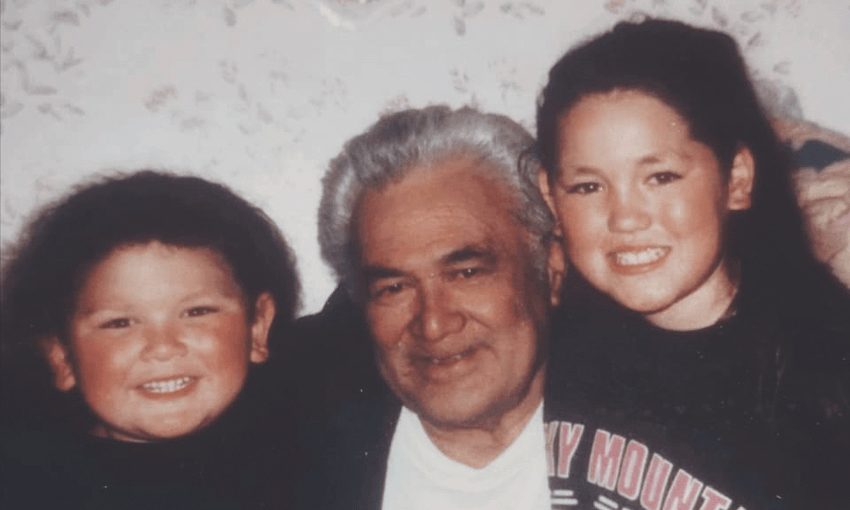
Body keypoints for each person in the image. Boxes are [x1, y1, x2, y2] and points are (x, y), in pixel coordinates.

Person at [534, 18, 850, 508]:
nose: (625, 218)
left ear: (737, 180)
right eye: (588, 186)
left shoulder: (826, 364)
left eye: (661, 177)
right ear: (551, 198)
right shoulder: (539, 346)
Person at [290, 105, 566, 510]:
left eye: (467, 273)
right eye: (394, 288)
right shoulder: (293, 461)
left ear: (551, 270)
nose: (434, 324)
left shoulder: (647, 426)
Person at [0, 170, 301, 509]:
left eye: (196, 312)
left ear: (258, 326)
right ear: (61, 356)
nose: (163, 347)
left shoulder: (306, 465)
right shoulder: (24, 486)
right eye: (120, 323)